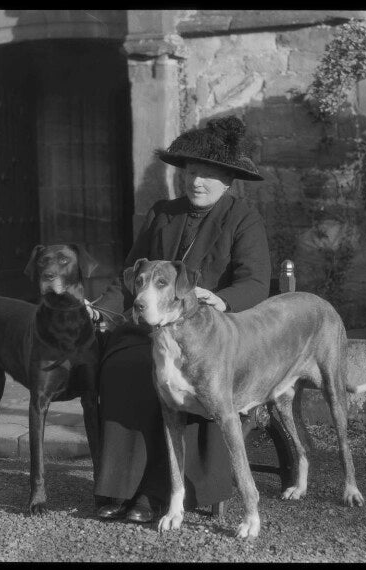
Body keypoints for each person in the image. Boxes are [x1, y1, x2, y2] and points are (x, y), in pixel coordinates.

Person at [89, 115, 271, 523]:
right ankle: (120, 488)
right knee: (125, 367)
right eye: (190, 173)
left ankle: (160, 495)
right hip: (150, 330)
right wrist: (102, 311)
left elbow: (256, 282)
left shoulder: (242, 218)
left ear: (228, 181)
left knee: (194, 381)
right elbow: (128, 277)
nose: (196, 183)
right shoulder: (162, 213)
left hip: (210, 333)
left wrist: (220, 300)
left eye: (207, 176)